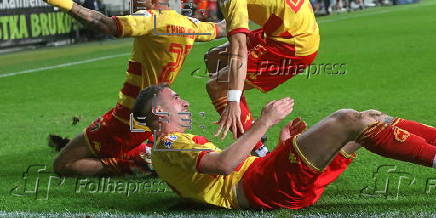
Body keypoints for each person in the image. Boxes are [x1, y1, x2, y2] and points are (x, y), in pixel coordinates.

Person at [175, 0, 387, 154]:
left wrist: (233, 101)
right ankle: (251, 129)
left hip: (292, 46)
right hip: (292, 32)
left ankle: (257, 152)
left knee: (217, 86)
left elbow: (239, 49)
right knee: (214, 58)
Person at [29, 0, 226, 176]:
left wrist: (59, 0)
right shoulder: (189, 25)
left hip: (129, 116)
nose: (133, 1)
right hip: (153, 112)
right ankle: (146, 152)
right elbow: (221, 28)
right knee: (100, 144)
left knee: (63, 164)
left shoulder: (151, 20)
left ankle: (139, 164)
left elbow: (106, 25)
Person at [133, 84, 436, 210]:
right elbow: (223, 166)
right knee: (347, 119)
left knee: (369, 119)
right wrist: (263, 122)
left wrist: (281, 148)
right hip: (260, 188)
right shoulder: (169, 143)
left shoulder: (168, 147)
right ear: (158, 113)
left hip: (264, 179)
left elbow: (234, 165)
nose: (183, 102)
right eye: (174, 99)